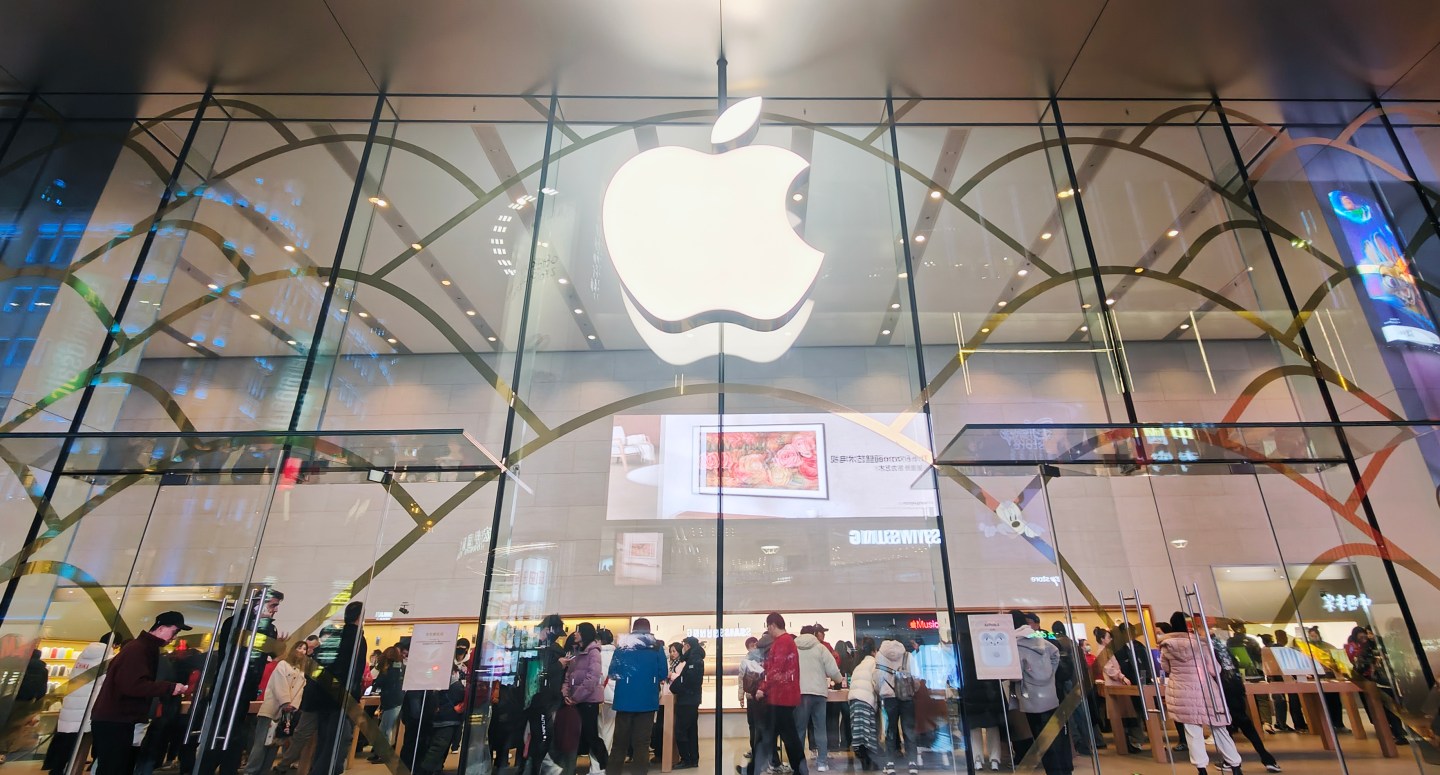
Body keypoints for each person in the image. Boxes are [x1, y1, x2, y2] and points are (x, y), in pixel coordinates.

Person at [90, 612, 191, 775]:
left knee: (115, 767)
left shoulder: (142, 647)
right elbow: (132, 685)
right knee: (114, 768)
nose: (174, 637)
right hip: (116, 719)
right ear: (161, 628)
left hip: (116, 718)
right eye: (175, 631)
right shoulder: (139, 649)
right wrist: (169, 688)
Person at [199, 588, 286, 775]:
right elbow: (238, 652)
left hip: (243, 687)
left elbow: (265, 653)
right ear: (258, 603)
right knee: (223, 731)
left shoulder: (263, 626)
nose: (275, 610)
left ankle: (225, 767)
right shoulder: (239, 623)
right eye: (273, 605)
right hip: (229, 686)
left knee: (235, 733)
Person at [1158, 613, 1244, 775]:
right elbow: (1214, 669)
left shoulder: (1167, 646)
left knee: (1192, 732)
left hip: (1182, 691)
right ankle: (1235, 766)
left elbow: (1166, 668)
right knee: (1219, 728)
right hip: (1206, 689)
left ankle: (1201, 769)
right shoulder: (1200, 643)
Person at [1209, 625, 1282, 772]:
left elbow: (1211, 670)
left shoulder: (1209, 649)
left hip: (1222, 688)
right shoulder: (1224, 647)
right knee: (1244, 722)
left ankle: (1230, 761)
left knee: (1225, 725)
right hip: (1236, 685)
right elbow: (1236, 664)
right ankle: (1267, 759)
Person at [45, 634, 118, 775]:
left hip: (71, 704)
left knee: (66, 742)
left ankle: (57, 769)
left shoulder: (83, 656)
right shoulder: (109, 659)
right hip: (89, 707)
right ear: (114, 644)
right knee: (81, 745)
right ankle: (72, 770)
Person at [309, 600, 365, 775]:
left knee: (325, 740)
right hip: (342, 697)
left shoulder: (335, 636)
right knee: (337, 743)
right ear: (359, 617)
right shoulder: (356, 638)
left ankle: (318, 769)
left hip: (324, 695)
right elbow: (356, 672)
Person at [1011, 611, 1071, 775]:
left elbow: (1015, 674)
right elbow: (1055, 653)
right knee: (1056, 737)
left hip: (1031, 696)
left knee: (1042, 740)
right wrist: (1050, 674)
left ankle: (1054, 772)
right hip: (1049, 693)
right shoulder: (1037, 637)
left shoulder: (1014, 643)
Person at [607, 618, 668, 775]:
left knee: (619, 743)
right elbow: (663, 673)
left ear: (633, 629)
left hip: (624, 700)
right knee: (642, 743)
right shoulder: (657, 647)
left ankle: (613, 772)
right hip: (647, 700)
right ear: (649, 630)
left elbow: (613, 672)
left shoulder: (622, 646)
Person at [755, 613, 806, 775]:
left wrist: (763, 687)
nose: (768, 630)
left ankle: (754, 768)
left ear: (772, 625)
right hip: (783, 697)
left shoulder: (782, 642)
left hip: (781, 697)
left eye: (768, 626)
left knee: (781, 736)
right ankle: (754, 767)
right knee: (779, 735)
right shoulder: (785, 641)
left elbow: (776, 669)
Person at [244, 643, 306, 775]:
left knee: (276, 742)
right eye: (299, 647)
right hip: (271, 709)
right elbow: (279, 685)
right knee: (261, 742)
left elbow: (300, 691)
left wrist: (292, 706)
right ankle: (251, 771)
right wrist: (286, 702)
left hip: (287, 713)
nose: (302, 651)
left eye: (304, 649)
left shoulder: (301, 672)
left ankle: (264, 771)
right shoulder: (282, 665)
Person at [516, 614, 566, 775]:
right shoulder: (536, 647)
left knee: (538, 738)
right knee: (543, 738)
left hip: (539, 700)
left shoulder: (539, 646)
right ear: (547, 629)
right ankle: (533, 769)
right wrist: (559, 665)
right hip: (539, 701)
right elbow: (538, 673)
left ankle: (531, 769)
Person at [562, 622, 609, 775]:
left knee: (590, 734)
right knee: (575, 735)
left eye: (578, 631)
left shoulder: (593, 652)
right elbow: (568, 675)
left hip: (588, 701)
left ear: (585, 634)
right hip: (574, 701)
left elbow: (592, 679)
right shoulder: (575, 652)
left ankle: (605, 764)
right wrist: (566, 694)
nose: (575, 634)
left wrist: (575, 697)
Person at [1348, 627, 1408, 744]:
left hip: (1384, 682)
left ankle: (1399, 733)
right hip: (1388, 681)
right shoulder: (1379, 645)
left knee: (1391, 708)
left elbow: (1361, 666)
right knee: (1393, 707)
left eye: (1369, 633)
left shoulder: (1371, 647)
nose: (1368, 636)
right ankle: (1400, 732)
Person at [796, 625, 842, 771]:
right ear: (814, 634)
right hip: (818, 693)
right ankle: (822, 763)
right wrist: (839, 679)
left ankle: (799, 763)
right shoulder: (820, 648)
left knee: (800, 729)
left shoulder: (794, 648)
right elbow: (832, 670)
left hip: (800, 693)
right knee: (820, 728)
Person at [958, 629, 1004, 773]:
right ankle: (995, 760)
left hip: (970, 695)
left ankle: (977, 759)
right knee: (992, 728)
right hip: (989, 695)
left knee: (974, 729)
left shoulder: (962, 656)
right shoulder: (987, 653)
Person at [1293, 626, 1347, 733]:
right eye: (1311, 636)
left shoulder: (1327, 646)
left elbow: (1335, 659)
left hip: (1329, 676)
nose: (1313, 637)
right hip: (1315, 677)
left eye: (1315, 635)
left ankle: (1338, 723)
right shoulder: (1307, 648)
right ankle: (1325, 725)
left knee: (1335, 701)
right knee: (1321, 703)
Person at [875, 636, 916, 766]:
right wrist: (913, 690)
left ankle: (890, 762)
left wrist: (881, 690)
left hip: (888, 697)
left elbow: (877, 677)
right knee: (908, 729)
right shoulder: (908, 656)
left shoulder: (880, 655)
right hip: (906, 697)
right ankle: (912, 762)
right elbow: (916, 677)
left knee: (890, 729)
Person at [669, 636, 705, 769]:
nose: (682, 648)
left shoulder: (693, 661)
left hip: (687, 700)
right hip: (691, 700)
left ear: (688, 646)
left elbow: (688, 681)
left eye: (684, 645)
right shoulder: (695, 659)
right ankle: (693, 759)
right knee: (691, 731)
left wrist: (674, 687)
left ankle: (686, 759)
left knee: (681, 730)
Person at [848, 638, 882, 771]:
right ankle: (871, 762)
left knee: (859, 732)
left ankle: (864, 760)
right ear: (874, 651)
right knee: (870, 731)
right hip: (866, 699)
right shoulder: (874, 663)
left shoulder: (858, 665)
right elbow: (877, 682)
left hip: (853, 700)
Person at [367, 646, 406, 763]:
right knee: (384, 728)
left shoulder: (389, 669)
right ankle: (379, 753)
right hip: (396, 700)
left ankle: (384, 755)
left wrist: (374, 684)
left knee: (386, 729)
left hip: (391, 701)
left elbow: (380, 681)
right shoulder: (400, 668)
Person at [1270, 631, 1307, 732]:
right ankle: (1298, 724)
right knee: (1293, 701)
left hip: (1279, 678)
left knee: (1283, 701)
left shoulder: (1275, 649)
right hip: (1285, 677)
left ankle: (1282, 723)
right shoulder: (1282, 649)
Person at [598, 629, 617, 759]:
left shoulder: (596, 654)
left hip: (599, 696)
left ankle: (598, 764)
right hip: (614, 695)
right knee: (610, 729)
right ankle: (606, 758)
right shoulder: (618, 654)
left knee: (598, 730)